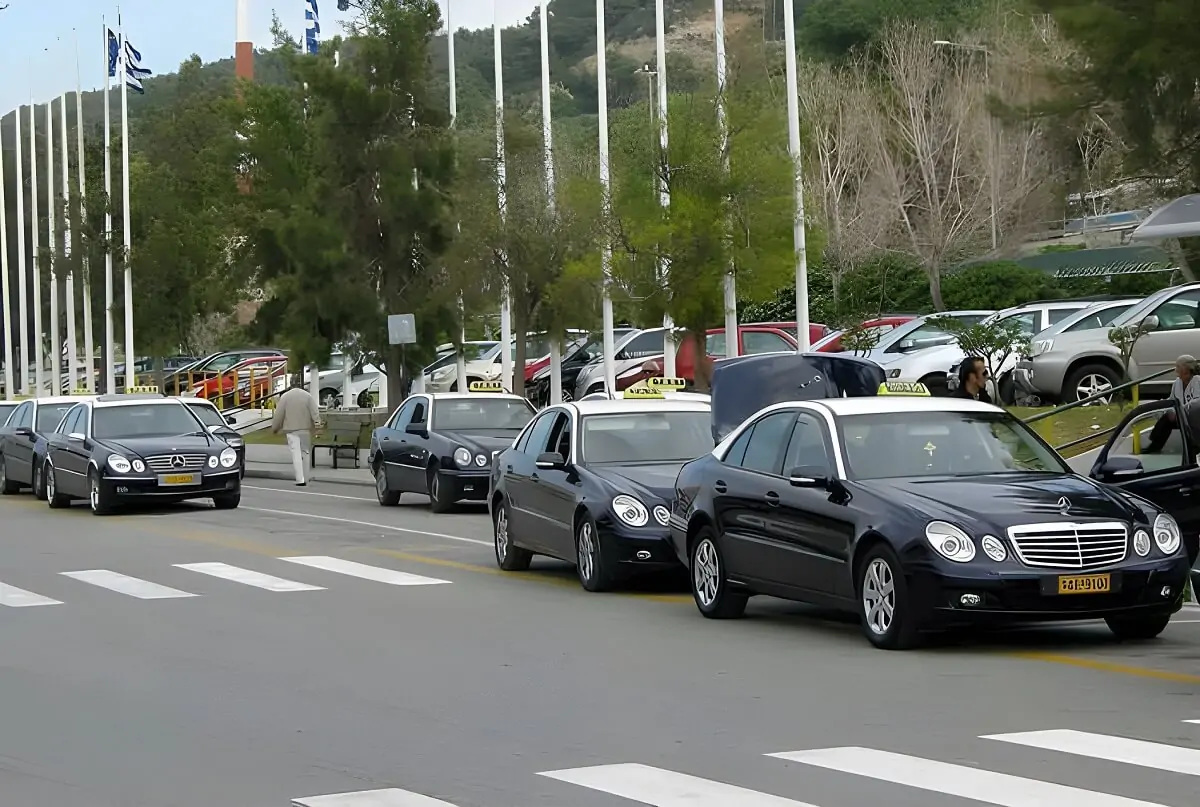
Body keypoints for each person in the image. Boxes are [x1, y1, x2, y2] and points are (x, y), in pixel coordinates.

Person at [272, 375, 322, 486]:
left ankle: (300, 479)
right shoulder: (307, 396)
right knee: (306, 453)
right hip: (305, 429)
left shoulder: (285, 397)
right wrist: (317, 425)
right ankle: (306, 476)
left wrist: (275, 428)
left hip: (291, 430)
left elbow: (279, 414)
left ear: (290, 383)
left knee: (296, 454)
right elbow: (315, 412)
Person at [1145, 355, 1200, 453]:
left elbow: (1197, 402)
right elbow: (1171, 400)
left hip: (1195, 418)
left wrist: (1180, 411)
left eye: (1178, 367)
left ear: (1186, 369)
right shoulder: (1177, 383)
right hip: (1182, 417)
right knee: (1166, 419)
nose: (1176, 370)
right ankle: (1154, 447)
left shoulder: (1197, 380)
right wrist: (1163, 408)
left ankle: (1195, 451)